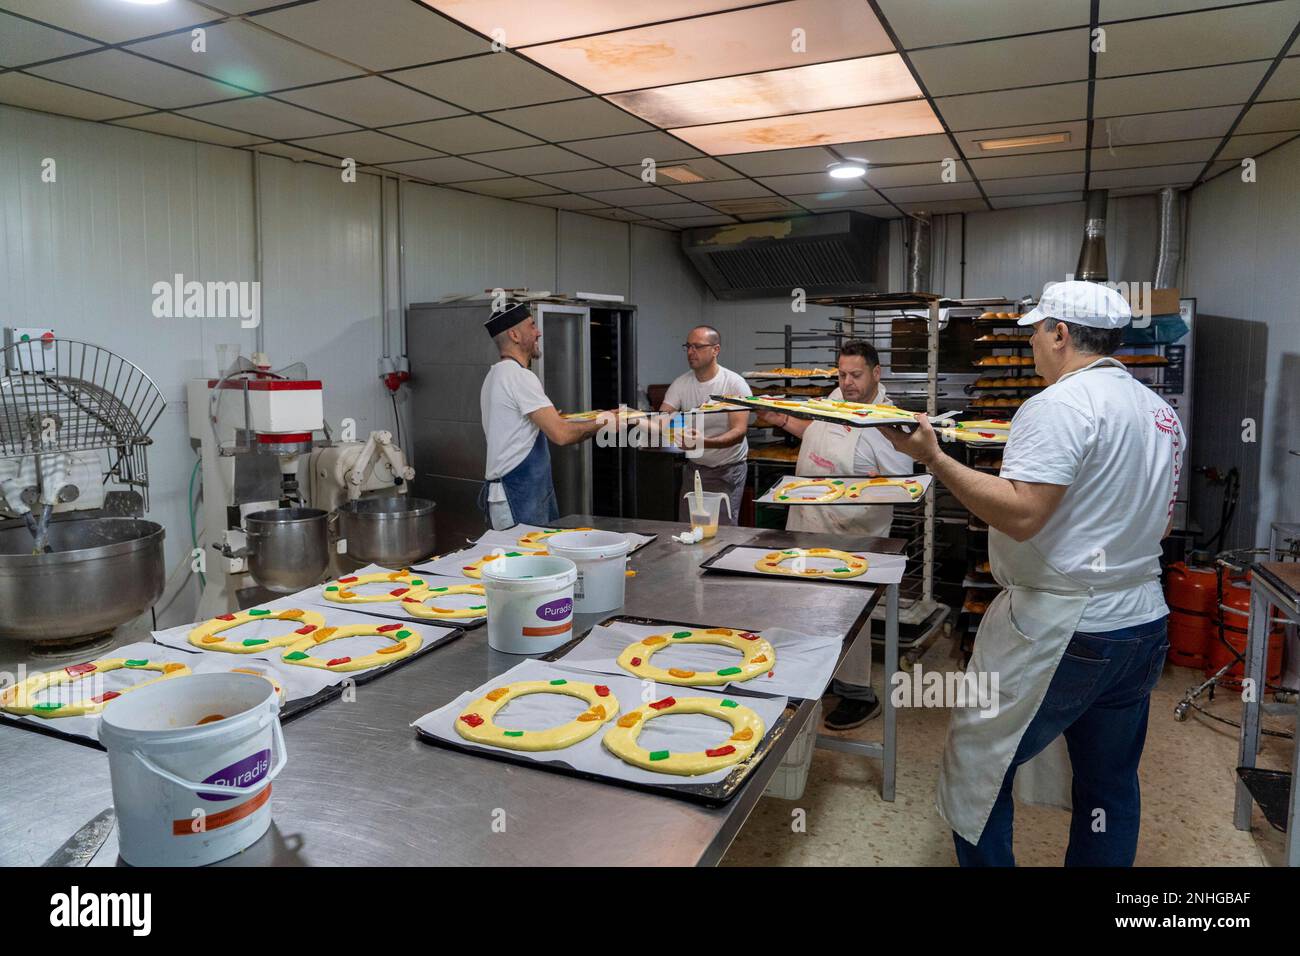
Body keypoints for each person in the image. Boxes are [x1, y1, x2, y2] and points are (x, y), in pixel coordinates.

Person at [881, 280, 1183, 867]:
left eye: (1038, 335)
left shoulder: (1057, 405)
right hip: (1142, 622)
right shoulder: (1158, 411)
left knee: (980, 764)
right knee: (1110, 785)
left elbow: (1022, 515)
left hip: (1068, 626)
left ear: (1061, 334)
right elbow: (1161, 527)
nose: (1033, 350)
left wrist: (934, 457)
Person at [759, 340, 912, 730]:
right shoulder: (834, 398)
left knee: (848, 613)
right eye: (842, 374)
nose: (847, 383)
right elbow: (816, 433)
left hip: (854, 533)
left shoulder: (890, 422)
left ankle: (859, 693)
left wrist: (848, 492)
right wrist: (780, 420)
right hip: (808, 522)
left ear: (877, 374)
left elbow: (901, 486)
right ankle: (823, 675)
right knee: (808, 609)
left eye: (856, 375)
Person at [478, 302, 613, 530]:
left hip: (515, 494)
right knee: (526, 561)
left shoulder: (495, 375)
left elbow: (521, 428)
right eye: (532, 326)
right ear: (515, 335)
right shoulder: (520, 377)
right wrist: (605, 421)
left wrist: (557, 419)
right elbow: (561, 435)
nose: (538, 331)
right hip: (517, 495)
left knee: (532, 560)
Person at [660, 326, 752, 524]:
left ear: (715, 350)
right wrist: (634, 418)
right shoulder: (681, 383)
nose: (691, 352)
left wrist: (703, 442)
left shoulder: (734, 384)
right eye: (688, 346)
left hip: (727, 469)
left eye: (697, 347)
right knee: (689, 526)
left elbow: (739, 432)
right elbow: (663, 417)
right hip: (695, 469)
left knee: (722, 531)